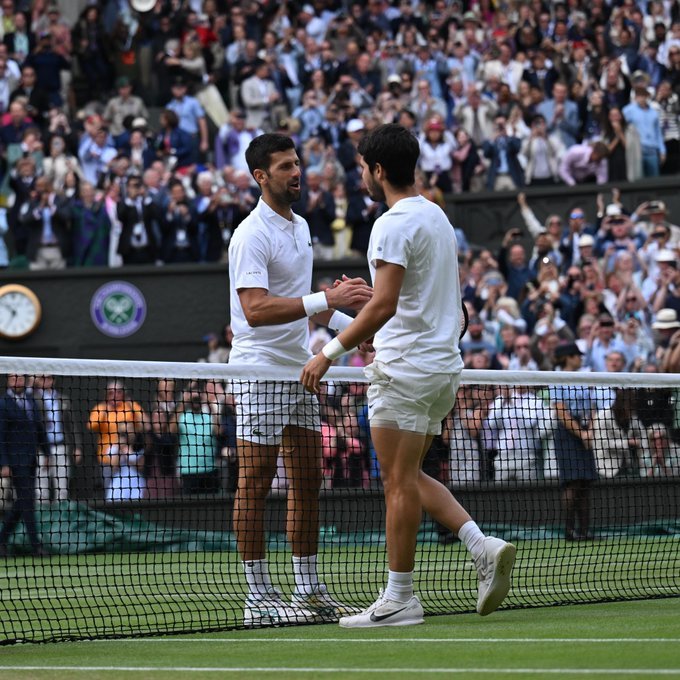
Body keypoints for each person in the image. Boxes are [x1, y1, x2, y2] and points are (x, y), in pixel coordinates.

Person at [301, 124, 516, 628]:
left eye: (361, 169)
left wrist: (328, 352)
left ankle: (400, 599)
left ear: (378, 171)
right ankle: (480, 545)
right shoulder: (437, 217)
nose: (360, 178)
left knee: (396, 481)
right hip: (441, 370)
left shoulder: (390, 224)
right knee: (411, 475)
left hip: (404, 371)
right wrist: (360, 306)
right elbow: (413, 305)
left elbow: (387, 305)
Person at [228, 132, 373, 627]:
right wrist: (329, 302)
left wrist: (355, 333)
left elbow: (303, 307)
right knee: (255, 482)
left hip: (299, 366)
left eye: (298, 163)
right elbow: (254, 310)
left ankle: (308, 589)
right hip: (258, 369)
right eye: (286, 166)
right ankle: (257, 599)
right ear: (260, 177)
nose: (297, 172)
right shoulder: (251, 234)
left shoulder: (302, 225)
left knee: (308, 480)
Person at [0, 374, 49, 557]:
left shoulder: (31, 399)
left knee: (24, 501)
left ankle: (2, 539)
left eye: (20, 378)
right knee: (27, 500)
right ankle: (36, 546)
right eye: (13, 378)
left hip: (31, 460)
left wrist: (47, 452)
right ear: (8, 381)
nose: (17, 381)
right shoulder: (3, 403)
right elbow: (1, 436)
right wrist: (4, 463)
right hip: (15, 461)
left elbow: (39, 427)